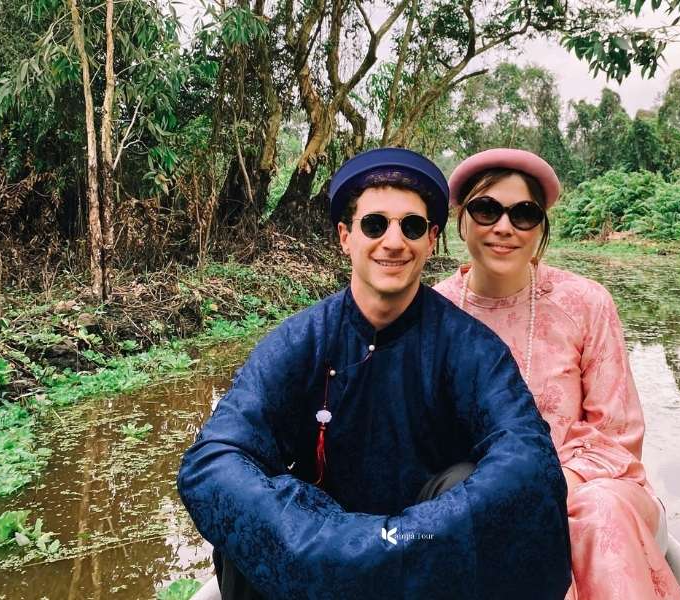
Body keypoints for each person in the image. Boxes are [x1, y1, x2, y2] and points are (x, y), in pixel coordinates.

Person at [177, 148, 572, 599]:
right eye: (374, 224)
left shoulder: (471, 346)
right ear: (346, 237)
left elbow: (527, 453)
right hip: (320, 558)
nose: (393, 240)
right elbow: (213, 459)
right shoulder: (300, 340)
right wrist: (321, 534)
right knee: (251, 513)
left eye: (412, 226)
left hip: (426, 555)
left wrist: (398, 538)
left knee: (472, 480)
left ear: (431, 239)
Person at [434, 148, 680, 600]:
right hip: (484, 492)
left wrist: (548, 487)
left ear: (541, 226)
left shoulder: (586, 303)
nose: (504, 227)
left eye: (524, 214)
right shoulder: (435, 312)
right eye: (487, 209)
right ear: (462, 217)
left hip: (595, 488)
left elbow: (617, 434)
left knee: (594, 511)